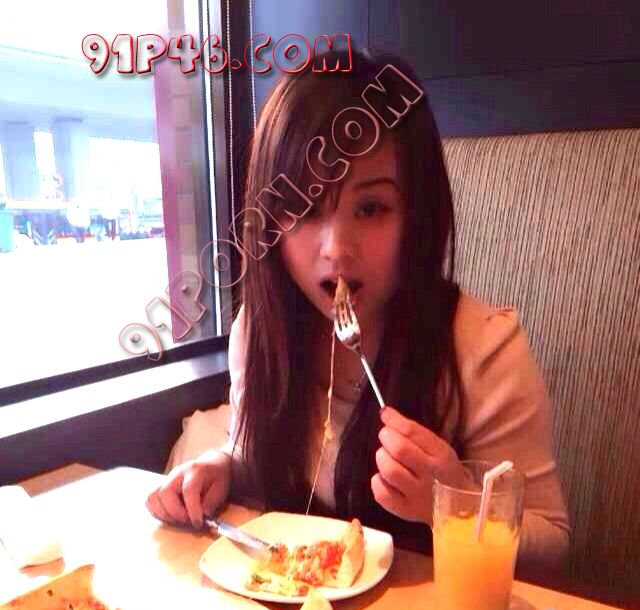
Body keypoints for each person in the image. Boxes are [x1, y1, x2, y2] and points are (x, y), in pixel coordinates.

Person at [146, 48, 570, 572]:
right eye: (304, 209)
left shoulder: (482, 348)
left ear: (416, 214)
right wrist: (221, 467)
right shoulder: (260, 330)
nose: (337, 249)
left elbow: (551, 543)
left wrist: (455, 503)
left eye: (370, 209)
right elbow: (255, 459)